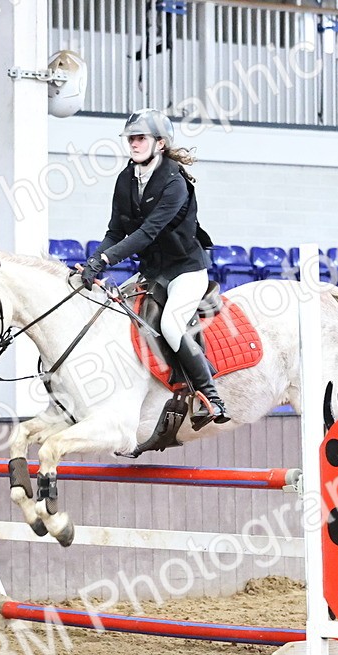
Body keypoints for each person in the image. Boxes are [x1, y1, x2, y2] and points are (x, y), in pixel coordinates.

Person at [78, 108, 228, 425]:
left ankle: (210, 396)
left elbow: (147, 234)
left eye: (140, 138)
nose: (133, 143)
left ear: (160, 143)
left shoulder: (175, 183)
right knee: (112, 314)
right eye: (130, 138)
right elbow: (115, 232)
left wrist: (106, 260)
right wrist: (94, 260)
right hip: (152, 272)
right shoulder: (125, 179)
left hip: (185, 269)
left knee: (172, 325)